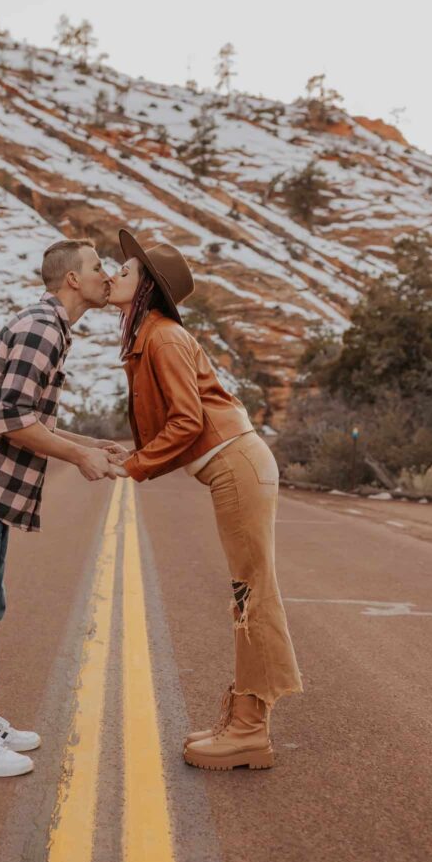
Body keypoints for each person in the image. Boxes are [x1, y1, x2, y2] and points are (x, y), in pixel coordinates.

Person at [0, 239, 126, 777]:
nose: (108, 276)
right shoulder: (42, 328)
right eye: (99, 267)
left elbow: (29, 418)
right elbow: (13, 422)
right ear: (72, 280)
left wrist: (89, 442)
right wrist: (80, 455)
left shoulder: (50, 327)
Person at [107, 228, 303, 771]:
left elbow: (188, 421)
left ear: (147, 286)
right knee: (248, 592)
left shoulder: (163, 337)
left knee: (251, 593)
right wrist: (130, 455)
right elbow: (176, 425)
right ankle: (244, 717)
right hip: (234, 465)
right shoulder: (150, 334)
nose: (115, 273)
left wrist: (133, 465)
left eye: (126, 270)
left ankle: (249, 729)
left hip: (237, 466)